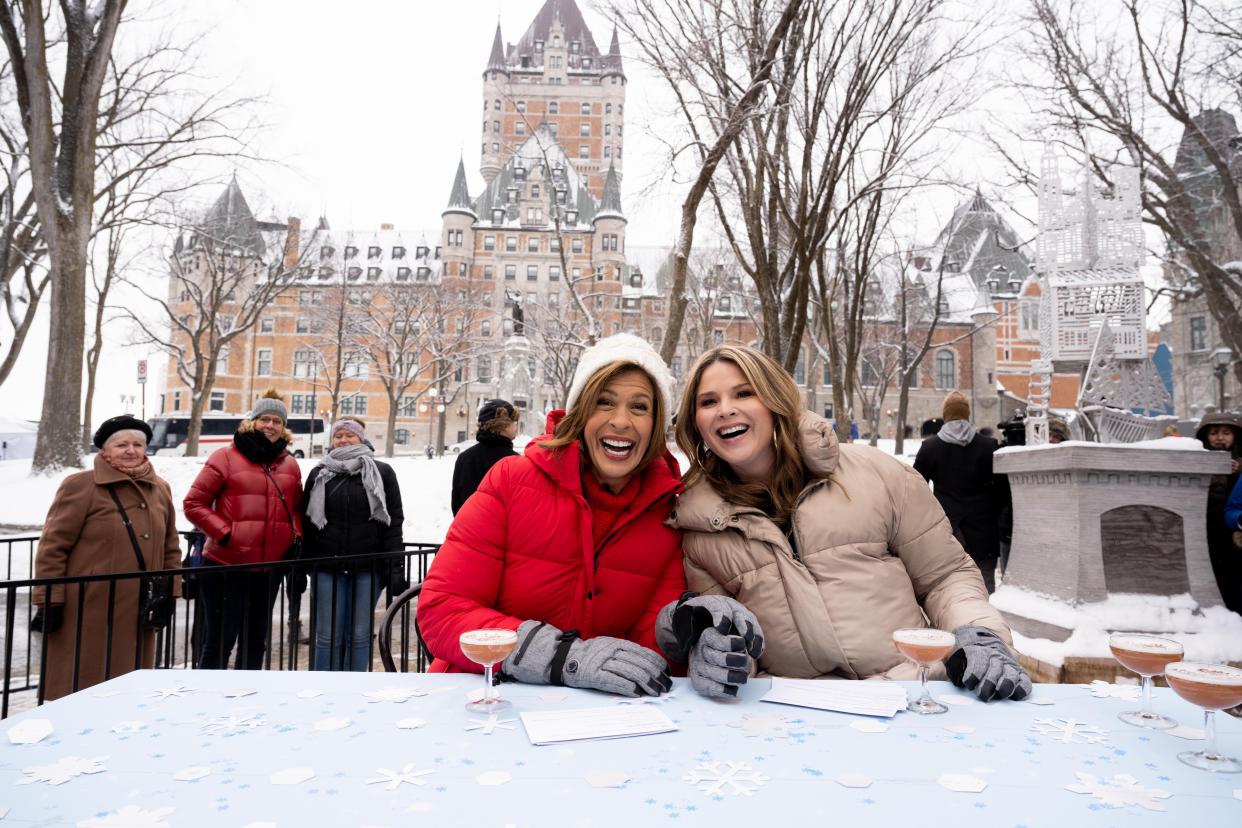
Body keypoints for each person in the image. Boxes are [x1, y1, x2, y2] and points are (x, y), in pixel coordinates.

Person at [671, 345, 1029, 701]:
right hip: (796, 709)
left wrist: (977, 633)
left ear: (774, 399)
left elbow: (945, 576)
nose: (726, 410)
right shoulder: (701, 527)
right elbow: (733, 641)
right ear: (695, 423)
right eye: (708, 402)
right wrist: (718, 659)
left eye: (744, 393)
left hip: (909, 693)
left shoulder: (879, 475)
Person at [418, 334, 688, 697]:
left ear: (656, 424)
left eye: (639, 407)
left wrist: (689, 638)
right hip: (483, 701)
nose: (621, 421)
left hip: (593, 721)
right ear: (579, 413)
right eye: (603, 402)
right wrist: (561, 657)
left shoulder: (667, 515)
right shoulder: (511, 481)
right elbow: (443, 610)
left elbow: (650, 652)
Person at [32, 415, 180, 701]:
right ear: (104, 451)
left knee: (130, 684)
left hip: (140, 606)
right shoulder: (80, 485)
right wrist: (50, 598)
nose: (131, 450)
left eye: (138, 444)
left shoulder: (160, 488)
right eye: (122, 444)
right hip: (87, 607)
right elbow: (53, 546)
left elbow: (170, 546)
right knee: (83, 683)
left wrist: (170, 592)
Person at [184, 389, 303, 670]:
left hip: (268, 569)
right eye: (265, 419)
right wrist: (226, 533)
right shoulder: (225, 456)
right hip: (226, 565)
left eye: (277, 421)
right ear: (252, 422)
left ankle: (246, 699)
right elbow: (194, 503)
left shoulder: (290, 464)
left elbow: (296, 508)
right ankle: (206, 700)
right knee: (220, 640)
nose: (270, 425)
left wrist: (294, 535)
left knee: (256, 641)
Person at [301, 417, 404, 671]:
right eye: (338, 436)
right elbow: (307, 521)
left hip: (368, 568)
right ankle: (324, 685)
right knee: (326, 635)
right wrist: (306, 561)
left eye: (350, 435)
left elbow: (393, 520)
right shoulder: (319, 473)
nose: (343, 440)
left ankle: (355, 685)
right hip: (327, 567)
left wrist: (394, 564)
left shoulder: (381, 472)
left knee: (359, 635)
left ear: (361, 437)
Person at [914, 391, 1007, 593]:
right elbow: (1002, 492)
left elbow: (915, 489)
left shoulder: (930, 448)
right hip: (984, 529)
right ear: (967, 414)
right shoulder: (988, 446)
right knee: (984, 587)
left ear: (946, 415)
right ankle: (985, 623)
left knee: (952, 588)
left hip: (948, 528)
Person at [1196, 412, 1242, 614]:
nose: (1220, 438)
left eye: (1226, 433)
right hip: (1206, 527)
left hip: (1232, 532)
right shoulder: (1196, 458)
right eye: (1214, 433)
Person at [451, 399, 520, 515]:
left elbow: (457, 503)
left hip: (468, 529)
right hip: (501, 531)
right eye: (514, 423)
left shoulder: (464, 458)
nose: (516, 427)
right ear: (503, 426)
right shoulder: (515, 461)